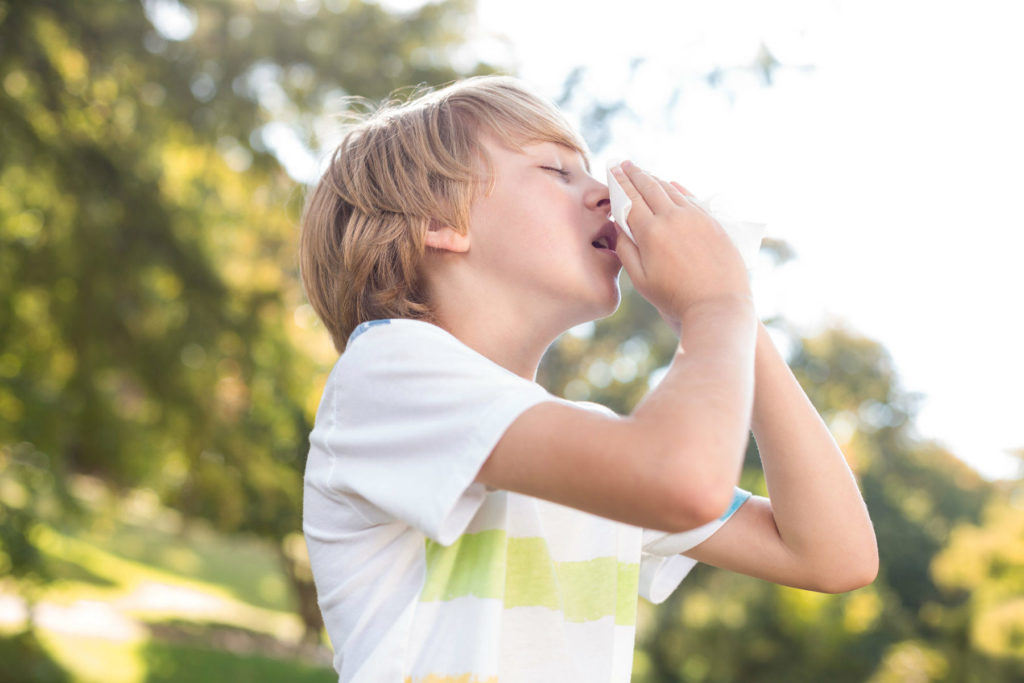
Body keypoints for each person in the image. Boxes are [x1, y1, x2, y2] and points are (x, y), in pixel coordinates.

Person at [298, 75, 878, 683]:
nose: (603, 192)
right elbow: (682, 478)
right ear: (441, 220)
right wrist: (714, 304)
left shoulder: (601, 453)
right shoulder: (387, 373)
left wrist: (735, 310)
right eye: (556, 172)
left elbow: (835, 555)